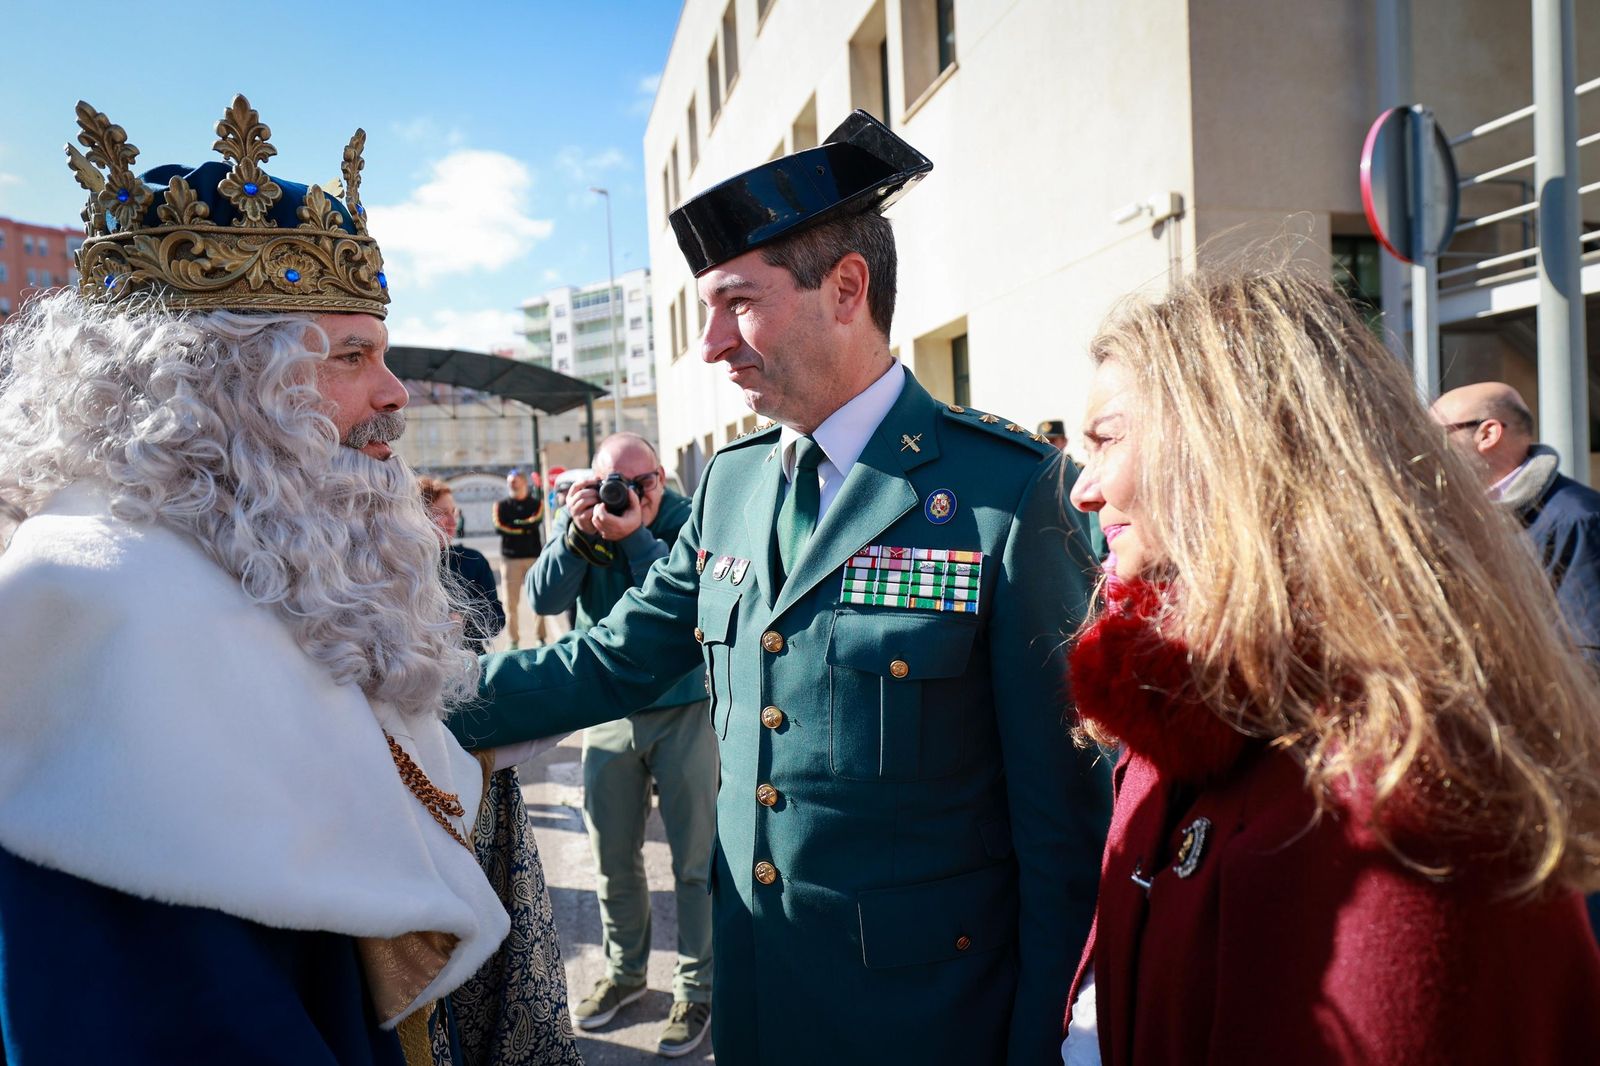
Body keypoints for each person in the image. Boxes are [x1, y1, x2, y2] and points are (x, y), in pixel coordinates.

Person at [448, 110, 1111, 1065]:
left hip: (927, 1019)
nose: (713, 342)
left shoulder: (1005, 492)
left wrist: (1041, 1043)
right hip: (760, 997)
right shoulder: (735, 480)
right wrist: (409, 687)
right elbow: (618, 657)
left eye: (738, 303)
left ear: (848, 289)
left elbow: (1063, 828)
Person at [0, 96, 580, 1065]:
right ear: (213, 384)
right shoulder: (96, 599)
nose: (393, 394)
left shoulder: (245, 559)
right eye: (352, 355)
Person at [1062, 263, 1600, 1065]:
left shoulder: (1398, 795)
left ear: (1235, 446)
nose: (1083, 490)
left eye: (1107, 439)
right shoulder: (1178, 716)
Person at [527, 433, 718, 1056]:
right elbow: (544, 599)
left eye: (641, 484)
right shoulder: (583, 519)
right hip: (610, 711)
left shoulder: (689, 516)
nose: (627, 495)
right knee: (612, 856)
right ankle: (626, 975)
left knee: (695, 863)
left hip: (686, 706)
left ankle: (697, 988)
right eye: (615, 483)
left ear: (660, 478)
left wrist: (635, 535)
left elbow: (680, 604)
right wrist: (577, 535)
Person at [1432, 382, 1600, 662]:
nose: (1425, 447)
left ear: (1488, 434)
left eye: (1436, 434)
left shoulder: (1578, 519)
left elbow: (1588, 655)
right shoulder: (1452, 516)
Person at [422, 476, 506, 655]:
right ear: (419, 515)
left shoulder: (472, 561)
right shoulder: (401, 565)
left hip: (471, 665)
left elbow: (497, 619)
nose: (453, 522)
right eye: (443, 513)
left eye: (454, 512)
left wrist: (464, 619)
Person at [494, 469, 552, 649]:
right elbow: (500, 527)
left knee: (538, 599)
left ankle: (540, 637)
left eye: (515, 481)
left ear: (524, 483)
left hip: (534, 557)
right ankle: (513, 640)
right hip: (510, 559)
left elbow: (536, 521)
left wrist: (516, 524)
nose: (512, 484)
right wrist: (524, 526)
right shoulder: (501, 505)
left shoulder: (537, 504)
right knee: (510, 603)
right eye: (510, 481)